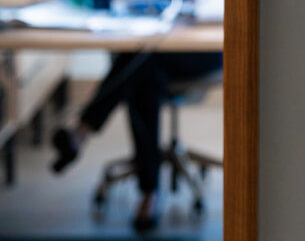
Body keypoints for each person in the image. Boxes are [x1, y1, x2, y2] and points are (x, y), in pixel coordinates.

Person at [50, 50, 223, 231]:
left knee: (141, 61)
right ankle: (150, 193)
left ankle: (82, 132)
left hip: (207, 51)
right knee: (147, 73)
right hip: (155, 51)